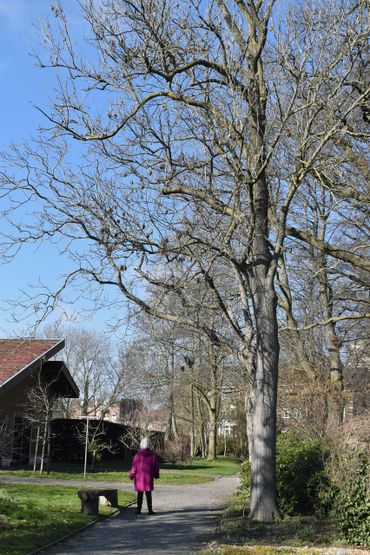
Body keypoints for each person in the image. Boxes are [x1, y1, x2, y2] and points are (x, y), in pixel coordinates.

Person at [129, 437, 159, 515]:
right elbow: (155, 467)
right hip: (148, 478)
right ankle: (150, 510)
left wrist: (132, 475)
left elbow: (134, 467)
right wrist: (156, 475)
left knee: (140, 494)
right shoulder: (153, 456)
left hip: (139, 478)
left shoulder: (137, 456)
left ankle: (139, 510)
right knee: (148, 494)